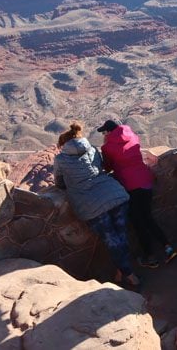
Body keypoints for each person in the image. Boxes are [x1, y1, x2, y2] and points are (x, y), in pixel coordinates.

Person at [53, 122, 140, 290]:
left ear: (63, 144)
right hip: (115, 195)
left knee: (111, 240)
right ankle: (121, 271)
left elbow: (59, 182)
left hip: (90, 203)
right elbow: (99, 168)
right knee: (121, 235)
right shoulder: (92, 149)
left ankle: (130, 276)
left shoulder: (61, 159)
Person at [99, 119, 177, 268]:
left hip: (130, 186)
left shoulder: (107, 147)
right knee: (148, 217)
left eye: (104, 132)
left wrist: (106, 144)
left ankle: (150, 257)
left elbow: (108, 168)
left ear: (108, 132)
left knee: (138, 222)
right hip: (145, 180)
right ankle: (168, 247)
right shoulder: (132, 136)